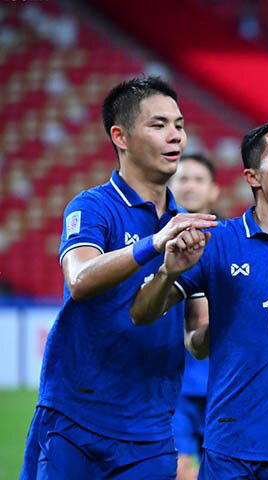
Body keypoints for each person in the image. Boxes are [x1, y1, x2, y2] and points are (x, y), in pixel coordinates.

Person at [130, 113, 268, 480]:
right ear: (253, 177)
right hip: (233, 452)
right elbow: (141, 313)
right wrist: (169, 271)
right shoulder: (218, 242)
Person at [20, 77, 217, 479]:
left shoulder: (190, 231)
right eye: (159, 125)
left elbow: (198, 337)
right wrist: (153, 244)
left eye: (179, 125)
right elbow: (79, 277)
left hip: (150, 428)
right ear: (120, 136)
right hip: (77, 416)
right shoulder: (94, 207)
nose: (175, 136)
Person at [169, 153, 221, 480]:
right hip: (173, 385)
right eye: (182, 178)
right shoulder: (157, 241)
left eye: (198, 179)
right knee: (181, 470)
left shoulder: (231, 242)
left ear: (214, 190)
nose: (189, 186)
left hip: (222, 384)